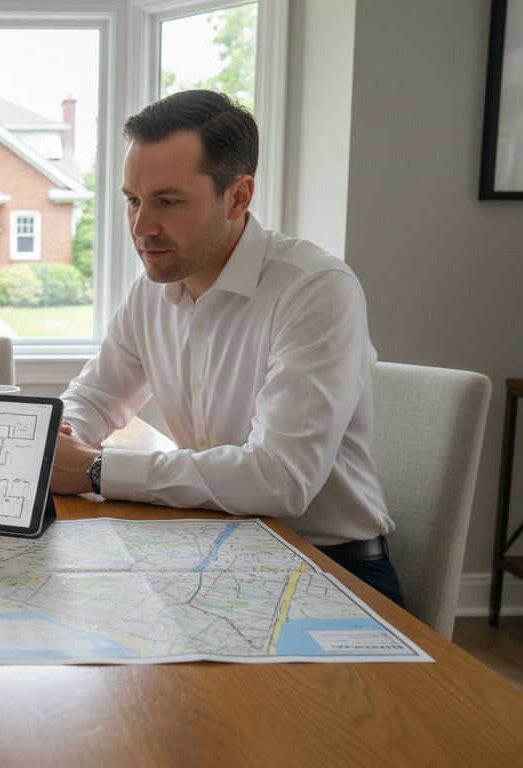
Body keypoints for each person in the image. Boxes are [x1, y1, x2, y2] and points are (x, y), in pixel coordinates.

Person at [50, 90, 402, 606]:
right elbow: (98, 396)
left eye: (167, 202)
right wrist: (57, 439)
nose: (141, 227)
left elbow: (280, 478)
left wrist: (95, 468)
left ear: (238, 197)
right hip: (216, 553)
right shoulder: (152, 289)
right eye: (132, 200)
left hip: (329, 568)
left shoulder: (316, 289)